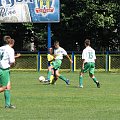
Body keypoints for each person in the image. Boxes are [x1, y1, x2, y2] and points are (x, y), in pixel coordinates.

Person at [0, 36, 20, 109]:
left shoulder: (1, 48)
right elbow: (12, 61)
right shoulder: (10, 49)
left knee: (8, 86)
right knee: (3, 87)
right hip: (4, 69)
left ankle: (7, 105)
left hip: (2, 68)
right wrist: (13, 63)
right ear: (10, 41)